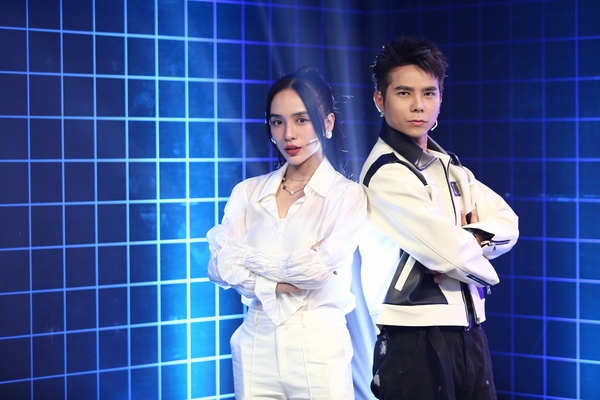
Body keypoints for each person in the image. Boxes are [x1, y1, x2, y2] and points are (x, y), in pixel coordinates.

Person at [359, 37, 519, 400]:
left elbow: (508, 222)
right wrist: (466, 251)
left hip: (470, 331)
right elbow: (448, 254)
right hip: (414, 339)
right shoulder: (386, 172)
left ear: (440, 99)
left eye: (429, 93)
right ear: (380, 100)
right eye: (404, 93)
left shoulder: (451, 167)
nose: (419, 105)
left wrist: (469, 239)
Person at [206, 66, 367, 399]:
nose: (288, 134)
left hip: (317, 339)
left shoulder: (346, 195)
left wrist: (248, 260)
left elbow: (315, 272)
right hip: (255, 336)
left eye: (301, 120)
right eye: (277, 122)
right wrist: (282, 277)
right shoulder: (247, 192)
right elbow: (219, 268)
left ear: (328, 123)